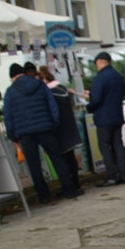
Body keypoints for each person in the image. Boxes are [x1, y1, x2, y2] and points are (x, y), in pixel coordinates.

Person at [3, 62, 81, 204]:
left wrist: (12, 136)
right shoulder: (40, 85)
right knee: (58, 159)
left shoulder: (10, 92)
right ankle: (70, 190)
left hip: (25, 134)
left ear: (13, 77)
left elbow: (8, 117)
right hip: (46, 129)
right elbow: (52, 106)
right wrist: (54, 124)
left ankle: (44, 196)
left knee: (34, 165)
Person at [85, 51, 125, 187]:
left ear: (99, 62)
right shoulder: (117, 76)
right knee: (118, 145)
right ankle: (123, 174)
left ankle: (111, 176)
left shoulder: (100, 78)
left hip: (103, 117)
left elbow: (97, 99)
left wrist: (89, 103)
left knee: (105, 146)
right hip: (117, 115)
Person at [38, 66, 84, 196]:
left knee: (62, 160)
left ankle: (69, 186)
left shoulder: (50, 93)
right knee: (70, 157)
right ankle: (76, 184)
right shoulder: (63, 89)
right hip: (70, 126)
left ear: (45, 79)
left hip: (59, 128)